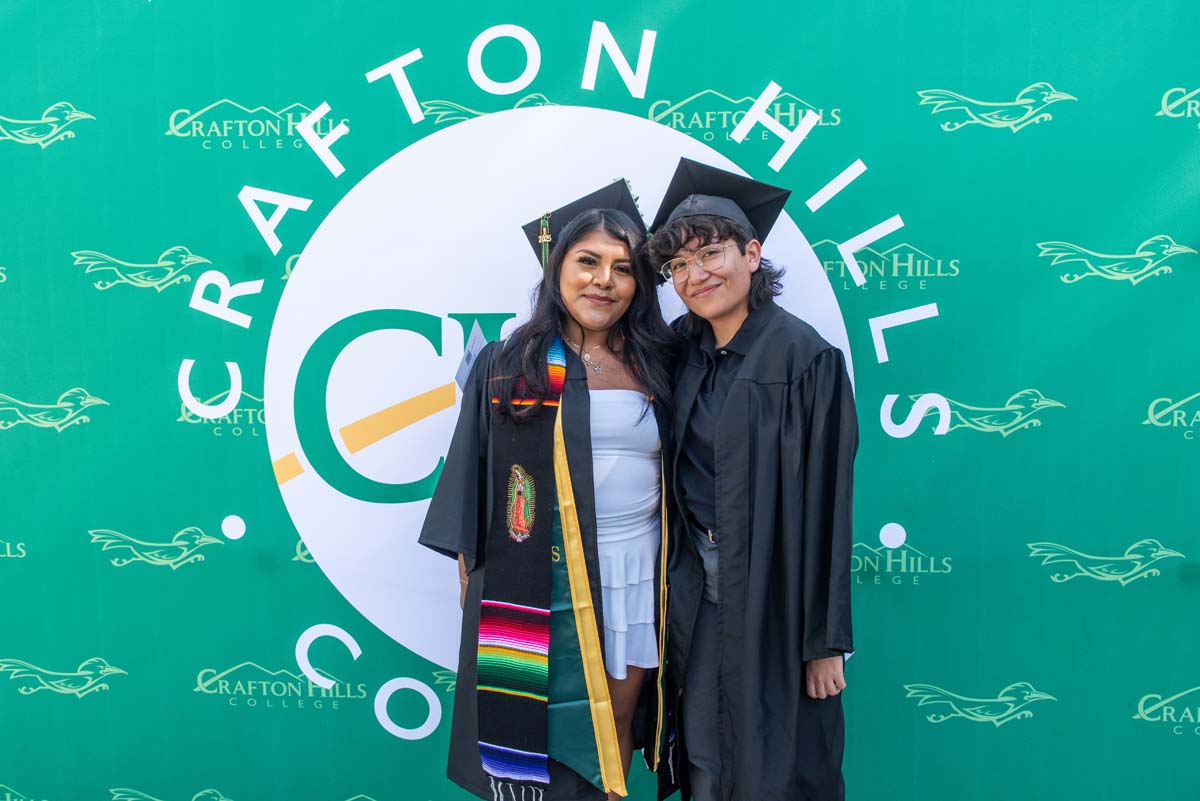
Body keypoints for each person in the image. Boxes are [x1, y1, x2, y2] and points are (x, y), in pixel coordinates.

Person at [418, 180, 678, 801]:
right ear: (556, 267)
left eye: (623, 268)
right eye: (588, 261)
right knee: (536, 726)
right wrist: (469, 569)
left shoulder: (663, 360)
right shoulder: (511, 364)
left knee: (615, 721)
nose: (604, 281)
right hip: (540, 571)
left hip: (635, 566)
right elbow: (473, 468)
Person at [647, 158, 858, 801]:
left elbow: (829, 505)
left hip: (776, 592)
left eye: (710, 254)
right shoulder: (681, 349)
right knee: (704, 745)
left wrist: (824, 643)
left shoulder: (804, 358)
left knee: (773, 757)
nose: (695, 276)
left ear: (752, 253)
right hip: (699, 584)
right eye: (678, 265)